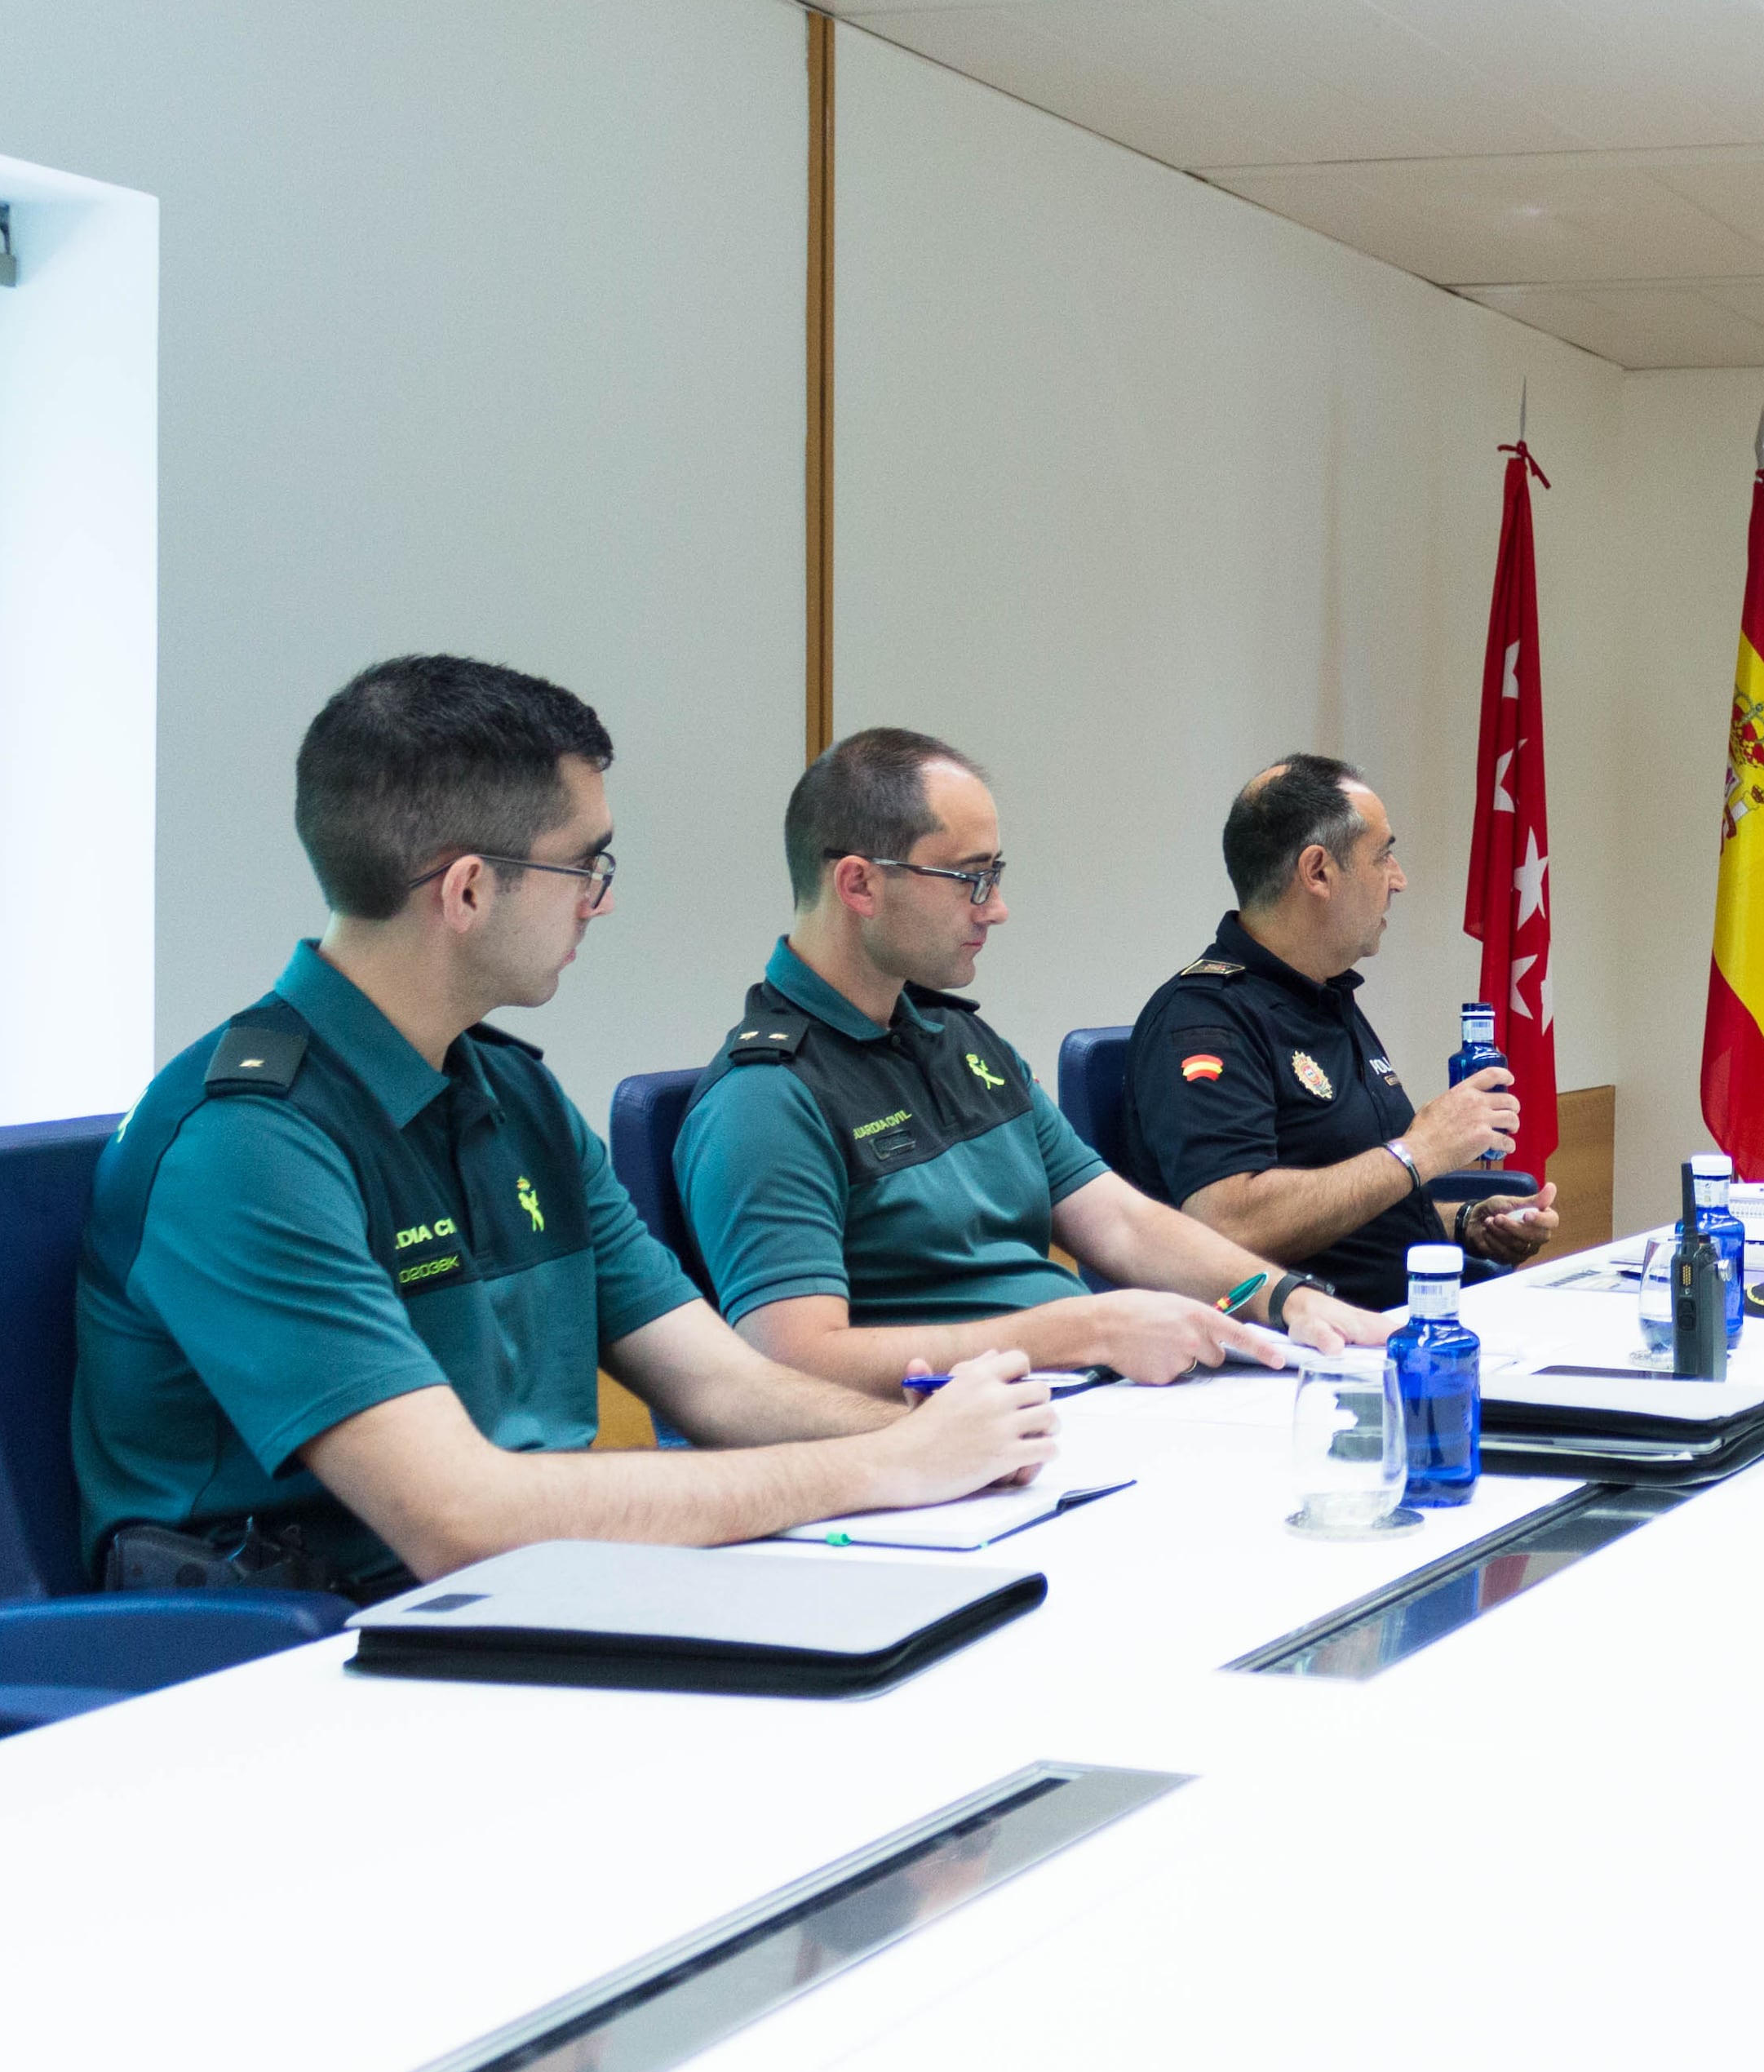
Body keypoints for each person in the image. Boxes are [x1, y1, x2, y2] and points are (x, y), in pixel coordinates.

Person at [73, 658, 1058, 1596]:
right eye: (586, 865)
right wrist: (885, 1463)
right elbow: (458, 1518)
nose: (605, 898)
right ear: (466, 891)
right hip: (314, 1653)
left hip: (538, 1593)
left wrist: (943, 1440)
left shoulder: (514, 1094)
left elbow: (721, 1387)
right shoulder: (247, 1145)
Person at [676, 730, 1387, 1394]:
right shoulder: (765, 1099)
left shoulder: (964, 1044)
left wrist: (1285, 1295)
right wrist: (1079, 1330)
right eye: (970, 878)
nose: (998, 908)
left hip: (1075, 1403)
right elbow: (791, 1365)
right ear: (860, 885)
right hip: (947, 1457)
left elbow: (1120, 1223)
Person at [1124, 754, 1560, 1313]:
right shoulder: (1206, 1019)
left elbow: (1357, 1212)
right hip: (1303, 1357)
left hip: (1408, 1322)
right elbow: (1227, 1227)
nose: (1399, 879)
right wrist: (1419, 1149)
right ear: (1318, 872)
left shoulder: (1325, 997)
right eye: (1383, 855)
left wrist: (1468, 1221)